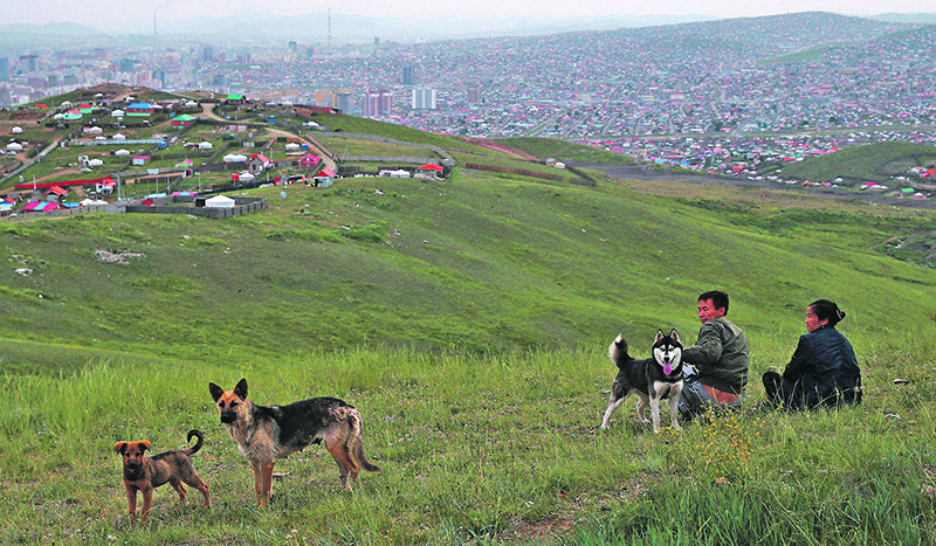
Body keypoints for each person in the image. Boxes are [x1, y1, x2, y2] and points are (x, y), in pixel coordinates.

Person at [762, 299, 862, 410]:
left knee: (770, 377)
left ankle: (776, 407)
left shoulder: (808, 340)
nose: (806, 321)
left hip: (818, 402)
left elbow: (790, 373)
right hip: (847, 400)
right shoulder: (844, 340)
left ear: (823, 320)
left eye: (810, 316)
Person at [678, 290, 750, 420]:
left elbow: (711, 354)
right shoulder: (737, 331)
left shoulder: (712, 325)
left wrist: (680, 353)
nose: (701, 314)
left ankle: (688, 415)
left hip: (711, 400)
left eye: (706, 309)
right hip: (737, 401)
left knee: (672, 362)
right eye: (699, 310)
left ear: (721, 311)